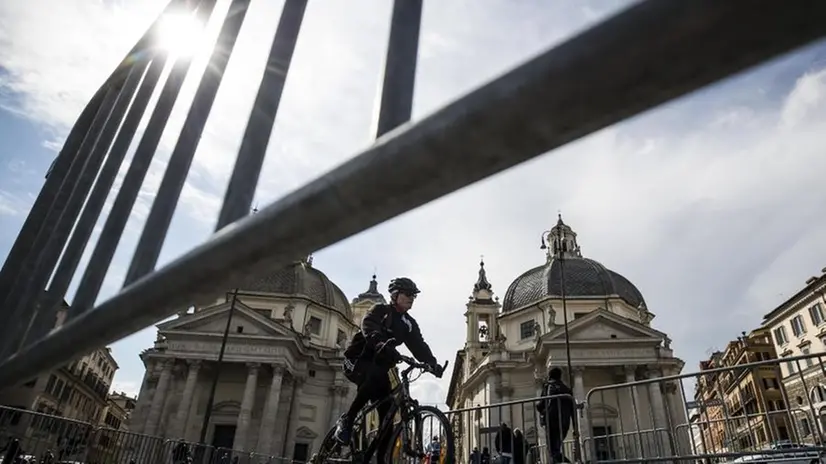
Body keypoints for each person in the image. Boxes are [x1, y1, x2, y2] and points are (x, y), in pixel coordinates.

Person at [334, 277, 444, 451]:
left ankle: (379, 458)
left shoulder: (408, 323)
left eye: (414, 295)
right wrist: (378, 343)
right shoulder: (379, 310)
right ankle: (347, 420)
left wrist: (432, 363)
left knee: (387, 418)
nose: (411, 298)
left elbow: (418, 345)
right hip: (356, 360)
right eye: (408, 294)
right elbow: (369, 326)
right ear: (395, 295)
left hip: (380, 366)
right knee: (373, 376)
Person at [536, 367, 575, 463]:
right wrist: (575, 427)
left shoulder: (548, 386)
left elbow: (541, 404)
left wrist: (540, 409)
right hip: (565, 423)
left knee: (553, 451)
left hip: (552, 421)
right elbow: (573, 410)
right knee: (556, 448)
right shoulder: (567, 390)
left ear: (550, 376)